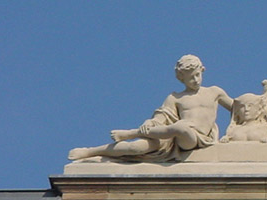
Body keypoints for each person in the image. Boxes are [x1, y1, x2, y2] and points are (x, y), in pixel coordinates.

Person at [68, 55, 232, 161]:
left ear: (202, 70)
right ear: (182, 79)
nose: (196, 80)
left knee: (182, 128)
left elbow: (237, 108)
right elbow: (161, 117)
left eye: (198, 75)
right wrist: (150, 122)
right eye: (190, 78)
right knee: (135, 147)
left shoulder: (214, 92)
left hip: (198, 139)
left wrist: (258, 102)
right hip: (174, 139)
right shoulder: (175, 98)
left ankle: (131, 132)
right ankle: (91, 152)